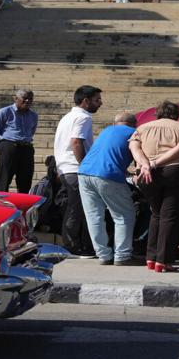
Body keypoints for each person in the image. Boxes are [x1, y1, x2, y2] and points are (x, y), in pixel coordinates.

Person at [129, 100, 179, 272]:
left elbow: (134, 148)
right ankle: (164, 260)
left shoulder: (141, 129)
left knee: (156, 214)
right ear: (177, 114)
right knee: (170, 215)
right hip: (177, 172)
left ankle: (151, 258)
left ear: (158, 114)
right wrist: (155, 163)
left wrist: (145, 164)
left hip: (146, 175)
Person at [78, 109, 141, 265]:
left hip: (84, 172)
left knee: (94, 216)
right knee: (124, 215)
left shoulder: (107, 130)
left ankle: (104, 255)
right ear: (134, 123)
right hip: (108, 175)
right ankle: (122, 255)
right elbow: (137, 157)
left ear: (115, 123)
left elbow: (108, 154)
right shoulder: (135, 133)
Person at [52, 84, 110, 252]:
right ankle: (72, 245)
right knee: (78, 209)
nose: (100, 103)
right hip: (75, 169)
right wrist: (85, 166)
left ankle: (77, 244)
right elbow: (76, 141)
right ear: (85, 101)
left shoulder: (68, 117)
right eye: (97, 100)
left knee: (76, 208)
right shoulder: (84, 117)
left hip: (66, 167)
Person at [0, 88, 39, 193]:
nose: (27, 101)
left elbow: (31, 131)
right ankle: (1, 207)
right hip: (8, 147)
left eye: (30, 99)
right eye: (24, 99)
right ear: (16, 98)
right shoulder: (4, 112)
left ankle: (23, 207)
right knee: (3, 181)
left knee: (25, 182)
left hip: (26, 148)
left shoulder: (33, 115)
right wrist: (2, 147)